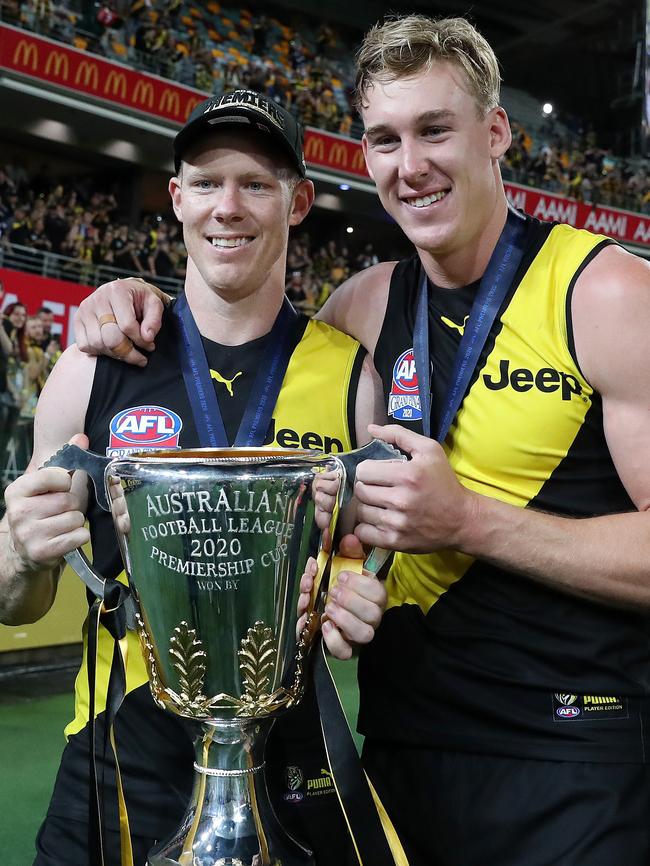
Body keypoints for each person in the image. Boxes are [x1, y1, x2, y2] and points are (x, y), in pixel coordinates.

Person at [76, 16, 650, 866]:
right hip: (395, 756)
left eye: (434, 130)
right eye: (384, 138)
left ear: (497, 133)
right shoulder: (361, 310)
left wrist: (470, 522)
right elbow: (258, 383)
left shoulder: (608, 293)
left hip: (571, 753)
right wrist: (126, 295)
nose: (408, 164)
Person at [0, 90, 389, 866]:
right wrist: (19, 554)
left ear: (299, 201)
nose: (229, 207)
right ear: (176, 199)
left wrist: (356, 587)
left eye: (255, 183)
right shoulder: (94, 367)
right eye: (207, 183)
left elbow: (361, 558)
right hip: (117, 771)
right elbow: (19, 602)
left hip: (292, 774)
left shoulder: (352, 379)